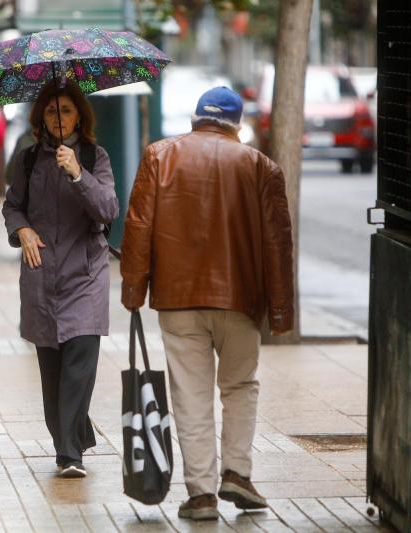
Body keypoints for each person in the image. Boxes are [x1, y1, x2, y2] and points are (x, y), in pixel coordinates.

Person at [120, 86, 294, 519]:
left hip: (178, 299)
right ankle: (237, 472)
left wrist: (133, 291)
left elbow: (138, 227)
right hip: (241, 299)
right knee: (239, 386)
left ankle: (200, 495)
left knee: (190, 395)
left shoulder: (160, 156)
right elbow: (277, 243)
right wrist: (280, 310)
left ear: (197, 118)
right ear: (237, 125)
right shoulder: (260, 166)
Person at [2, 81, 119, 478]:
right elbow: (12, 206)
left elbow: (106, 210)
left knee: (79, 366)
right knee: (52, 373)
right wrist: (22, 231)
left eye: (66, 110)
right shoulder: (28, 160)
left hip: (86, 275)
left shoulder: (93, 156)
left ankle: (70, 454)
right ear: (41, 117)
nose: (58, 118)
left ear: (79, 116)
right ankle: (71, 434)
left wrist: (77, 174)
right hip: (41, 276)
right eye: (52, 111)